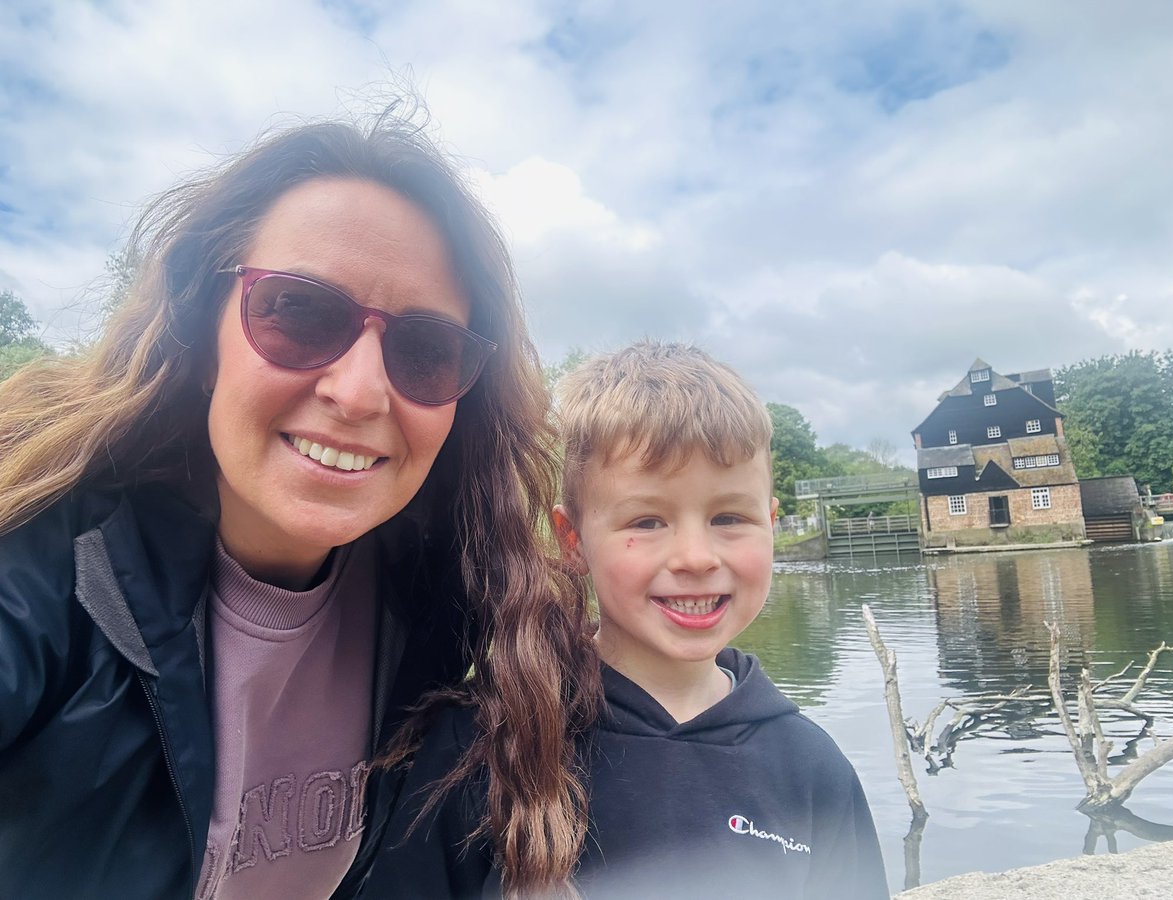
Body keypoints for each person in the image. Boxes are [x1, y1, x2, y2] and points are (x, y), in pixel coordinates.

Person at [0, 99, 600, 899]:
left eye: (425, 350)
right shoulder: (43, 567)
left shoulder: (447, 595)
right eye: (297, 311)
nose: (357, 393)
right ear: (201, 336)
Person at [368, 341, 888, 899]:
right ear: (573, 540)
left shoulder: (815, 772)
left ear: (770, 522)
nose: (696, 556)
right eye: (647, 519)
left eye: (728, 517)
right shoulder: (483, 742)